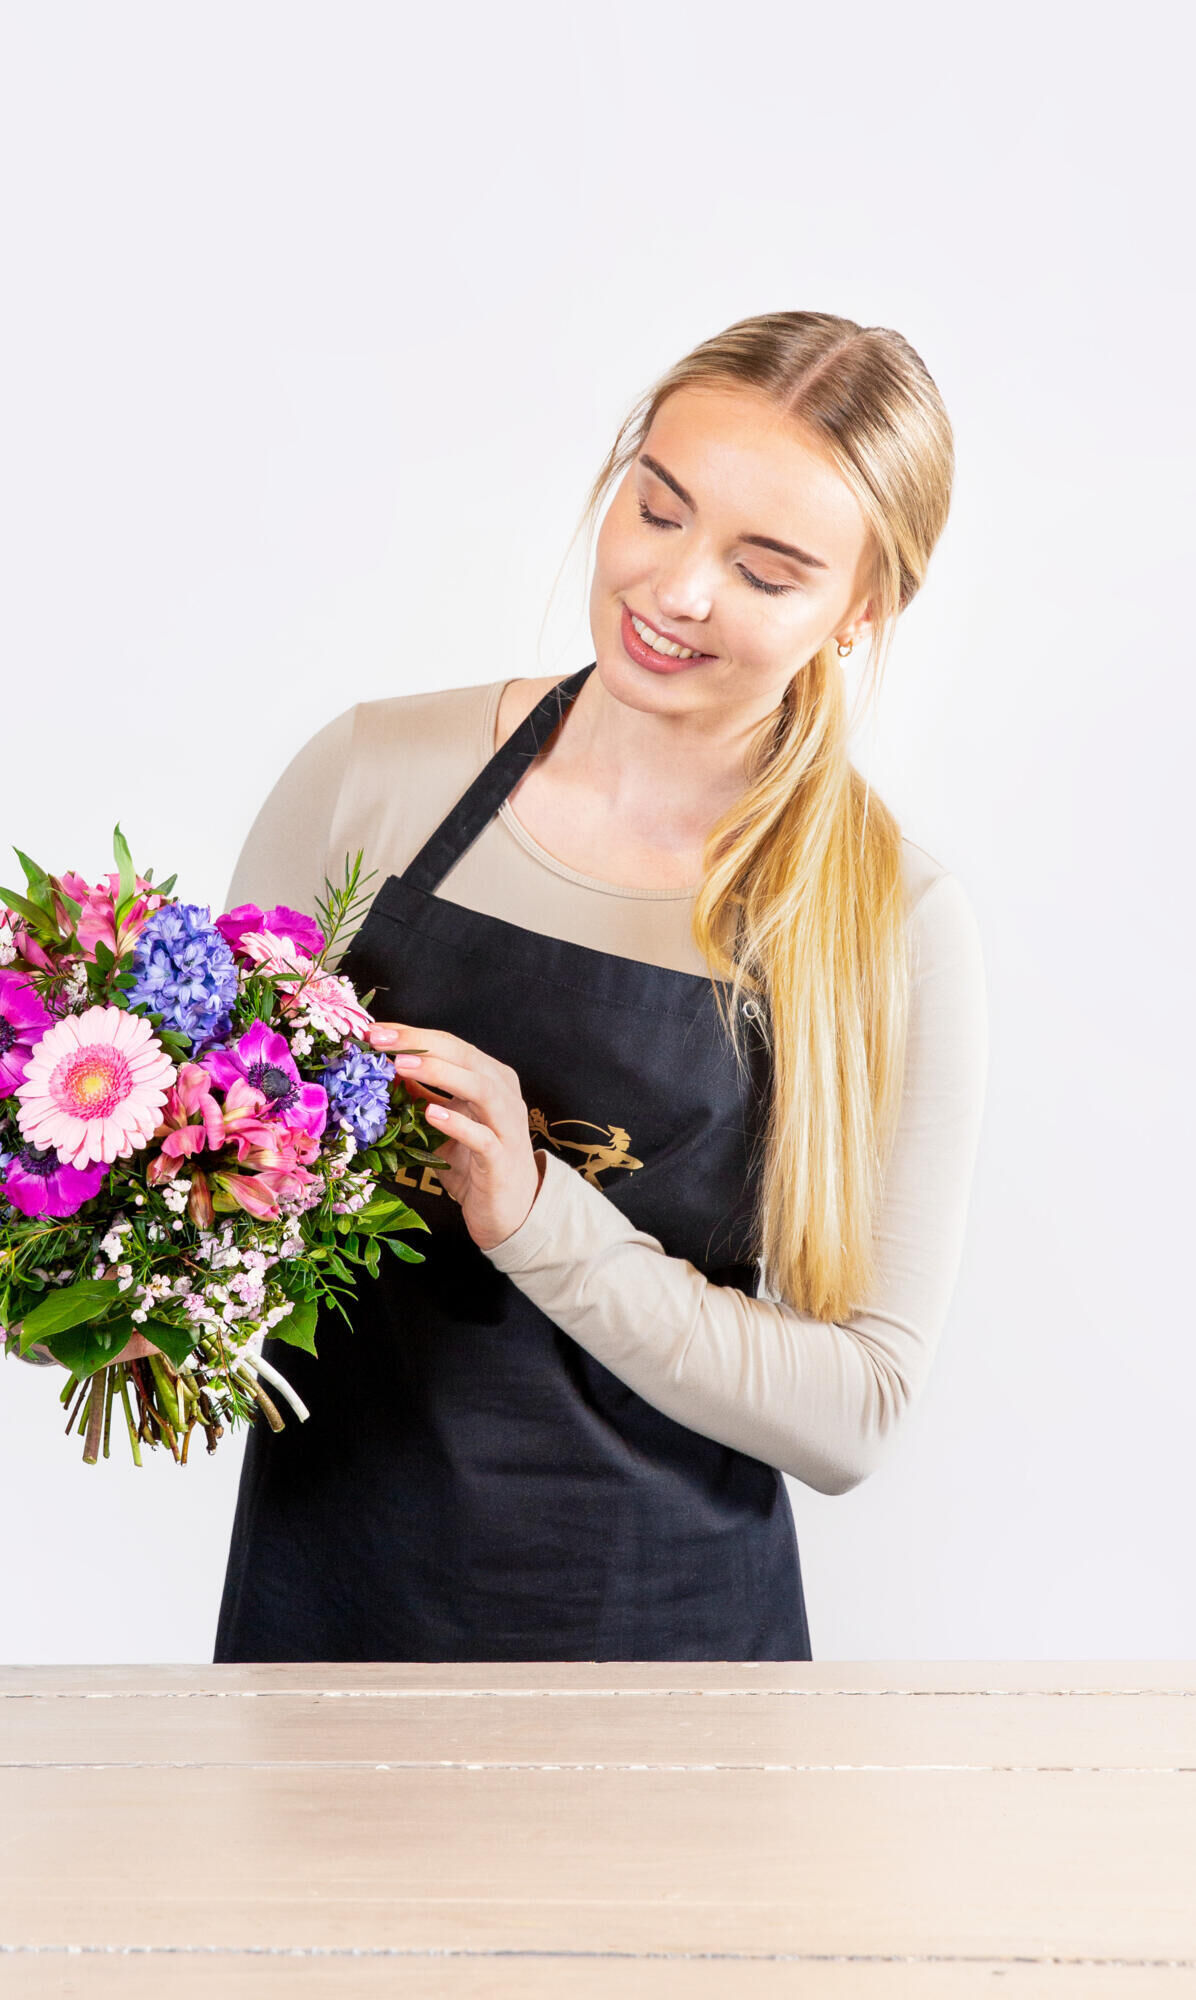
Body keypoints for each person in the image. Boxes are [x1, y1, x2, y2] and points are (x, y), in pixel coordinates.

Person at [211, 309, 990, 1664]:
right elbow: (202, 1172)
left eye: (766, 570)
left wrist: (535, 1215)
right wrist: (87, 1260)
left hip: (671, 1658)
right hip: (328, 1610)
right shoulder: (375, 779)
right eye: (659, 510)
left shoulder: (887, 922)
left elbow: (857, 1411)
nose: (677, 590)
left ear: (862, 611)